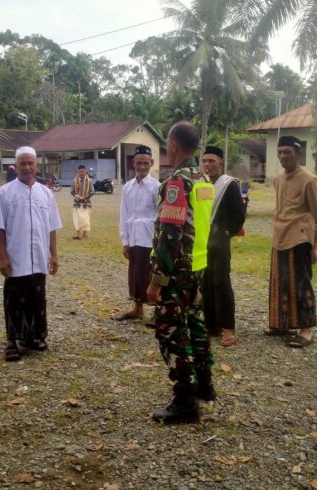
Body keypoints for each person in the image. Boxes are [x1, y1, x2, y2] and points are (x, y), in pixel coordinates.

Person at [147, 121, 215, 424]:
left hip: (177, 269)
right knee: (195, 325)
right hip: (197, 265)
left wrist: (157, 280)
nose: (166, 145)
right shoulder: (203, 178)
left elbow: (171, 234)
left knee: (170, 330)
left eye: (167, 141)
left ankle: (185, 400)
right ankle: (204, 384)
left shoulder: (177, 181)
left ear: (173, 144)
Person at [0, 146, 62, 362]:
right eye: (22, 163)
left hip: (39, 257)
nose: (27, 167)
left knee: (37, 298)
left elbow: (52, 227)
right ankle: (12, 341)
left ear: (36, 166)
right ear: (16, 166)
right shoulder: (5, 193)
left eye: (30, 163)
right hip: (16, 257)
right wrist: (3, 258)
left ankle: (33, 336)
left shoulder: (46, 193)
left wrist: (54, 255)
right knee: (14, 300)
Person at [266, 135, 317, 348]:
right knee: (280, 283)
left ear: (298, 154)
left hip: (299, 239)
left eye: (287, 152)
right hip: (279, 236)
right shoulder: (279, 178)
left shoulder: (310, 180)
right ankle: (283, 324)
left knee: (300, 284)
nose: (283, 156)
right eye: (280, 152)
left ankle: (306, 330)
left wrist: (314, 246)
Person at [200, 145, 245, 347]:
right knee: (206, 283)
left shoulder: (229, 184)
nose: (207, 164)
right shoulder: (203, 184)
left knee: (221, 282)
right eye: (204, 161)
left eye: (211, 161)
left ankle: (228, 328)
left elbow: (239, 215)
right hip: (203, 242)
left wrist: (225, 234)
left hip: (220, 243)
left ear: (221, 163)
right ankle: (211, 325)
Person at [116, 145, 159, 321]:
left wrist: (159, 241)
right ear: (133, 163)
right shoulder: (128, 187)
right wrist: (125, 241)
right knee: (135, 273)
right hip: (133, 237)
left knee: (151, 273)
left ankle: (157, 312)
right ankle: (138, 308)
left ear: (151, 163)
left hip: (150, 237)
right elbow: (124, 214)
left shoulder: (157, 187)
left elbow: (160, 215)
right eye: (139, 163)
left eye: (145, 163)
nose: (142, 167)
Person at [71, 165, 94, 240]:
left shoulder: (89, 181)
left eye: (83, 171)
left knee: (85, 219)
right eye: (80, 172)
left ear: (85, 172)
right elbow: (72, 191)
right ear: (78, 172)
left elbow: (92, 191)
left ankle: (83, 234)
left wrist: (86, 197)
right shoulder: (74, 181)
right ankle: (78, 234)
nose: (81, 173)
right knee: (77, 219)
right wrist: (76, 195)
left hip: (85, 203)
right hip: (77, 203)